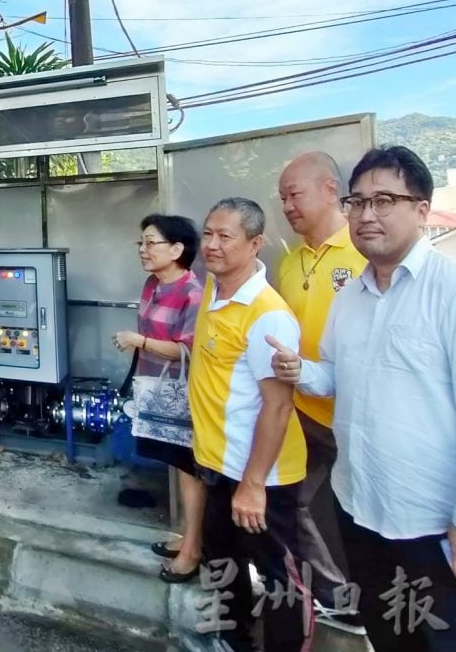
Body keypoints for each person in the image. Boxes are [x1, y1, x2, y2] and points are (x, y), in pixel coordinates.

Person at [270, 146, 456, 652]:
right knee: (388, 634)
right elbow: (336, 374)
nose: (367, 215)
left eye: (384, 200)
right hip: (360, 506)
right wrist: (299, 371)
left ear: (421, 210)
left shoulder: (453, 292)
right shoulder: (351, 297)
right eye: (359, 202)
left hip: (432, 525)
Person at [189, 198, 309, 652]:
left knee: (280, 581)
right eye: (208, 234)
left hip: (262, 478)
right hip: (219, 464)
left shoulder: (268, 314)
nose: (212, 245)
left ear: (255, 243)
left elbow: (277, 407)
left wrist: (254, 484)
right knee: (224, 564)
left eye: (225, 237)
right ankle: (235, 642)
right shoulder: (213, 288)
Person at [275, 152, 368, 629]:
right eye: (283, 197)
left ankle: (356, 602)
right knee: (307, 506)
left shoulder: (364, 253)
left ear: (331, 189)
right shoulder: (290, 262)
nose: (287, 205)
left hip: (356, 415)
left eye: (296, 194)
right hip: (300, 407)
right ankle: (338, 599)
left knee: (355, 511)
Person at [112, 214, 205, 584]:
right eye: (141, 243)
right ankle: (185, 535)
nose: (143, 250)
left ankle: (193, 549)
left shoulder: (193, 293)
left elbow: (189, 350)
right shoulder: (152, 284)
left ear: (178, 249)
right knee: (173, 464)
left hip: (182, 395)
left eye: (151, 243)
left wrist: (140, 342)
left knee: (189, 470)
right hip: (155, 389)